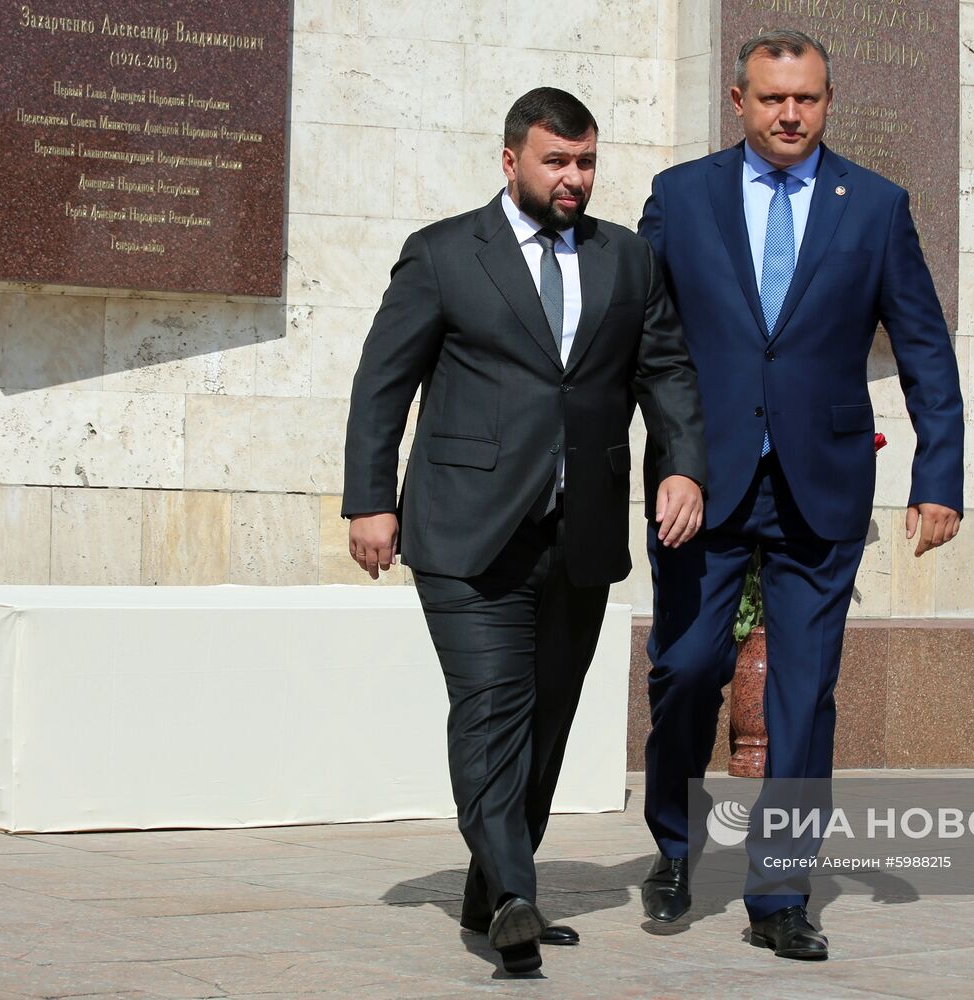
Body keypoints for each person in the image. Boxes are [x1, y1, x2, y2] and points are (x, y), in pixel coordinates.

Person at [342, 88, 707, 975]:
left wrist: (683, 465)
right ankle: (512, 893)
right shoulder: (440, 255)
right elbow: (382, 383)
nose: (574, 178)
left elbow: (666, 373)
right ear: (512, 162)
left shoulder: (627, 260)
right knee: (492, 708)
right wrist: (369, 498)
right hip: (465, 531)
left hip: (576, 532)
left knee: (546, 720)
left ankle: (488, 886)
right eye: (557, 161)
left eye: (585, 162)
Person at [636, 30, 964, 959]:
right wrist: (670, 457)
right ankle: (672, 845)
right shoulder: (680, 197)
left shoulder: (876, 206)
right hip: (701, 483)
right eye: (773, 99)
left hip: (819, 489)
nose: (790, 116)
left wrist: (936, 477)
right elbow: (647, 343)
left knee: (804, 694)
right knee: (686, 668)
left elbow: (924, 349)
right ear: (737, 101)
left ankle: (781, 890)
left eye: (808, 100)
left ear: (828, 102)